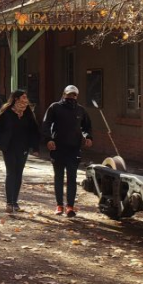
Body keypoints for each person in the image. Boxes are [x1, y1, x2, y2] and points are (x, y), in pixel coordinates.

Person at [0, 89, 41, 213]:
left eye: (26, 98)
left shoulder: (28, 113)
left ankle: (15, 201)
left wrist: (35, 147)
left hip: (23, 147)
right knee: (11, 173)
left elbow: (34, 131)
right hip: (9, 147)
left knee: (19, 173)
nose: (26, 100)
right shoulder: (6, 113)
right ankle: (9, 202)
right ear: (16, 99)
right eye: (23, 97)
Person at [42, 85, 92, 217]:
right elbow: (46, 124)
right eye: (69, 94)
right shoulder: (55, 107)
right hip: (58, 148)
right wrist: (48, 140)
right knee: (58, 177)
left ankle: (70, 206)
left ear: (77, 96)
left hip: (74, 149)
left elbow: (87, 126)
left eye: (74, 95)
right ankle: (59, 205)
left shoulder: (81, 110)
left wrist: (88, 137)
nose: (71, 97)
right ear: (64, 94)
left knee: (72, 177)